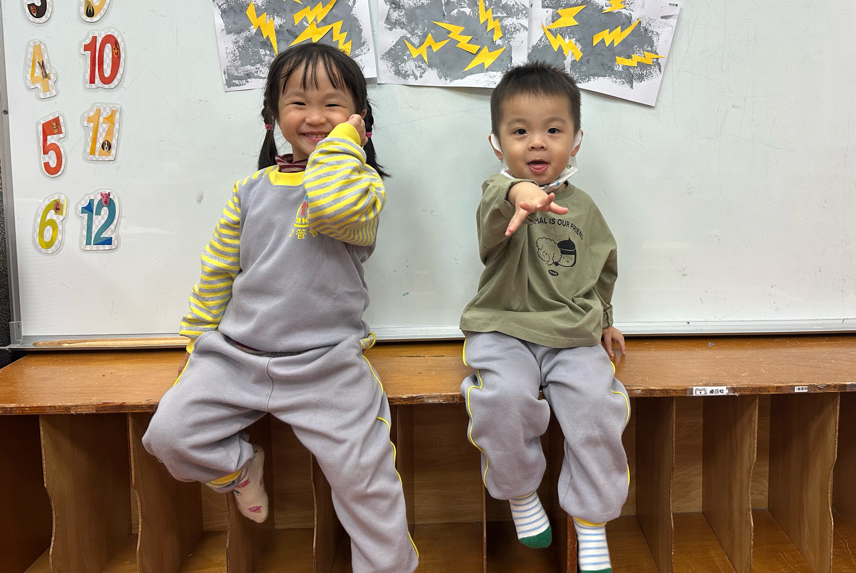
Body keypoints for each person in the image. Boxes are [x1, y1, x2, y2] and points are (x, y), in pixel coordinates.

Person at [142, 44, 417, 573]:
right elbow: (219, 268)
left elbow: (332, 207)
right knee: (170, 436)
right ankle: (241, 469)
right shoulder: (251, 190)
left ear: (360, 121)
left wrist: (344, 145)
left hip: (326, 365)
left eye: (333, 105)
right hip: (238, 356)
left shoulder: (360, 186)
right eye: (298, 103)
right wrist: (198, 339)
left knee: (366, 483)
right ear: (273, 116)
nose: (315, 117)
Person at [460, 62, 629, 573]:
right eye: (520, 132)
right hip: (503, 329)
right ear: (498, 144)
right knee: (504, 400)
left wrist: (605, 319)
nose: (537, 142)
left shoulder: (586, 209)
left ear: (575, 141)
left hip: (572, 334)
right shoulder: (497, 195)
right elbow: (497, 200)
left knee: (597, 409)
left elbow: (602, 269)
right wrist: (518, 193)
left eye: (553, 130)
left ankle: (592, 521)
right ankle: (519, 492)